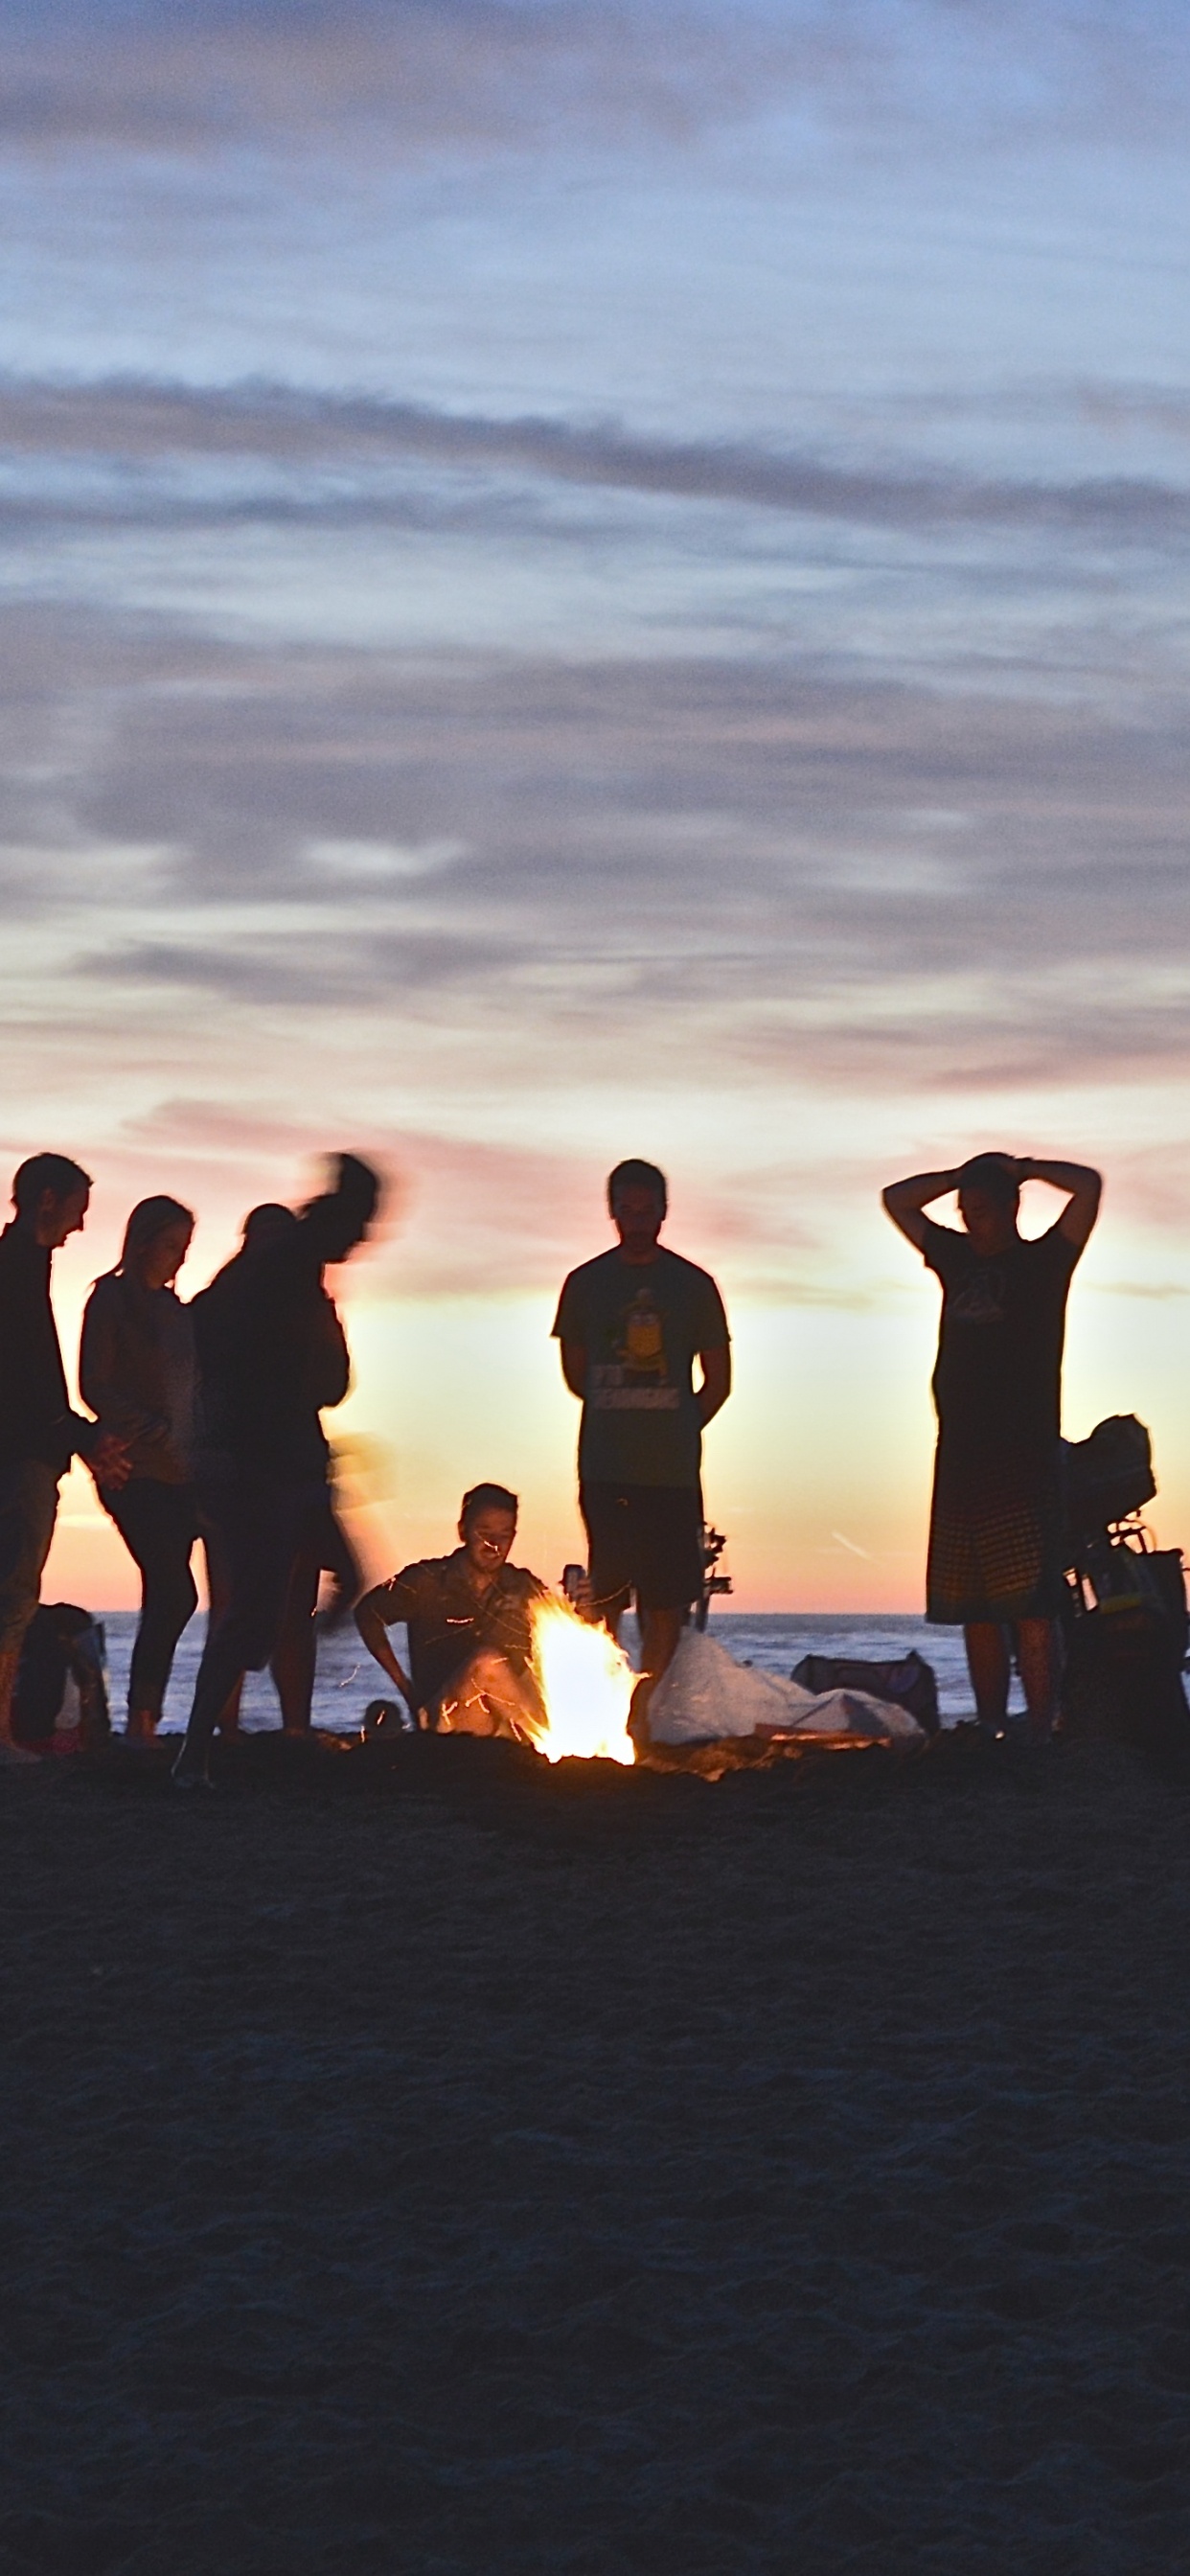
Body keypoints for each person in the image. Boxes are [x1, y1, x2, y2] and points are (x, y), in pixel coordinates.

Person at [172, 1153, 381, 1786]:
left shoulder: (300, 1273)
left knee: (339, 1582)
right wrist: (232, 1428)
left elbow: (331, 1380)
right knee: (255, 1616)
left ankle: (209, 1741)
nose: (367, 1239)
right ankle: (194, 1754)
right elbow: (213, 1330)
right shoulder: (281, 1264)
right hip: (264, 1464)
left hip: (289, 1460)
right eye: (363, 1222)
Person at [882, 1151, 1102, 1740]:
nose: (970, 1220)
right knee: (972, 1603)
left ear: (1009, 1209)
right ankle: (990, 1722)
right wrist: (957, 1176)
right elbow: (896, 1198)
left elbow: (1088, 1187)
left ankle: (1040, 1721)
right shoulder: (953, 1257)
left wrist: (1025, 1167)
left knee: (1031, 1602)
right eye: (965, 1210)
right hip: (960, 1452)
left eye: (981, 1209)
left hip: (1023, 1452)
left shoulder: (1044, 1263)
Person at [552, 1159, 731, 1734]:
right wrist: (622, 1405)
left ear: (663, 1211)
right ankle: (605, 1705)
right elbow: (575, 1373)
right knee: (606, 1595)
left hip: (671, 1474)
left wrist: (678, 1424)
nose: (635, 1221)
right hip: (607, 1467)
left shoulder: (694, 1286)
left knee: (667, 1601)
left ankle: (644, 1715)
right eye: (625, 1210)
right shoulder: (585, 1284)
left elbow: (719, 1380)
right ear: (612, 1212)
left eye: (646, 1209)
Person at [0, 1153, 128, 1763]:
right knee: (14, 1594)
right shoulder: (16, 1270)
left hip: (30, 1450)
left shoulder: (25, 1267)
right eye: (76, 1209)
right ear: (47, 1199)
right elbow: (27, 1379)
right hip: (20, 1456)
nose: (79, 1226)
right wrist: (77, 1434)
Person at [80, 1195, 198, 1742]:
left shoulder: (177, 1314)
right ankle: (140, 1719)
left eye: (185, 1248)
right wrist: (152, 1428)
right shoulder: (109, 1301)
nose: (178, 1258)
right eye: (172, 1245)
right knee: (175, 1590)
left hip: (182, 1472)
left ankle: (145, 1720)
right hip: (131, 1467)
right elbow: (94, 1385)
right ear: (144, 1242)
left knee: (171, 1590)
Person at [355, 1484, 546, 1737]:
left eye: (504, 1535)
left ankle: (546, 1739)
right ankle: (554, 1742)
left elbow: (570, 1637)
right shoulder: (427, 1581)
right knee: (487, 1665)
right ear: (463, 1531)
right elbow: (367, 1614)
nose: (494, 1544)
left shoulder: (524, 1587)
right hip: (450, 1718)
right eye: (484, 1532)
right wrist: (406, 1688)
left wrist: (583, 1605)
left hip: (509, 1722)